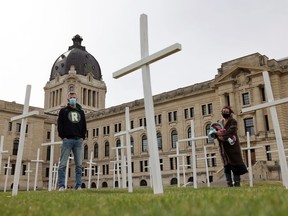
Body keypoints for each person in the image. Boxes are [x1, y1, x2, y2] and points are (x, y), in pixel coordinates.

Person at [57, 92, 87, 191]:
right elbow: (59, 124)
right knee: (63, 164)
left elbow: (84, 125)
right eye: (71, 98)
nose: (73, 99)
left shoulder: (81, 112)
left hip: (78, 140)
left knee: (79, 165)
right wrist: (63, 136)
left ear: (77, 98)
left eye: (74, 97)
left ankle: (78, 185)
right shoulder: (63, 111)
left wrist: (83, 137)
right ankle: (61, 185)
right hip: (67, 140)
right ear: (68, 99)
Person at [214, 106, 248, 187]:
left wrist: (221, 135)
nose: (224, 113)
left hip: (232, 147)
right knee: (226, 167)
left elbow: (231, 131)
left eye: (226, 111)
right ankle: (229, 184)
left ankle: (237, 184)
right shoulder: (219, 122)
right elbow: (213, 132)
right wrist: (216, 134)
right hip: (223, 148)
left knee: (235, 166)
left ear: (230, 112)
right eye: (223, 111)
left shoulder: (233, 121)